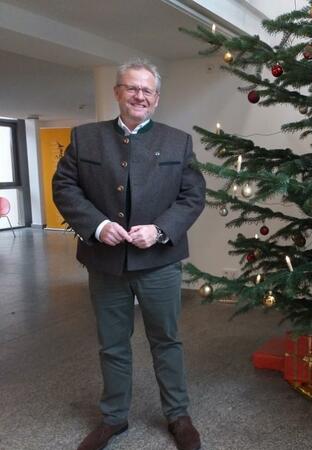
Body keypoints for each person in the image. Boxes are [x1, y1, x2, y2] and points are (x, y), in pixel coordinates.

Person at [53, 59, 205, 450]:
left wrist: (159, 230)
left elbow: (192, 196)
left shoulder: (178, 141)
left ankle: (178, 415)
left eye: (147, 90)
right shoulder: (85, 137)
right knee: (112, 343)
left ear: (156, 99)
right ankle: (113, 419)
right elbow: (65, 187)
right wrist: (99, 226)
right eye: (132, 88)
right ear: (118, 92)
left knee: (167, 341)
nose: (139, 95)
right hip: (105, 264)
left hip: (160, 263)